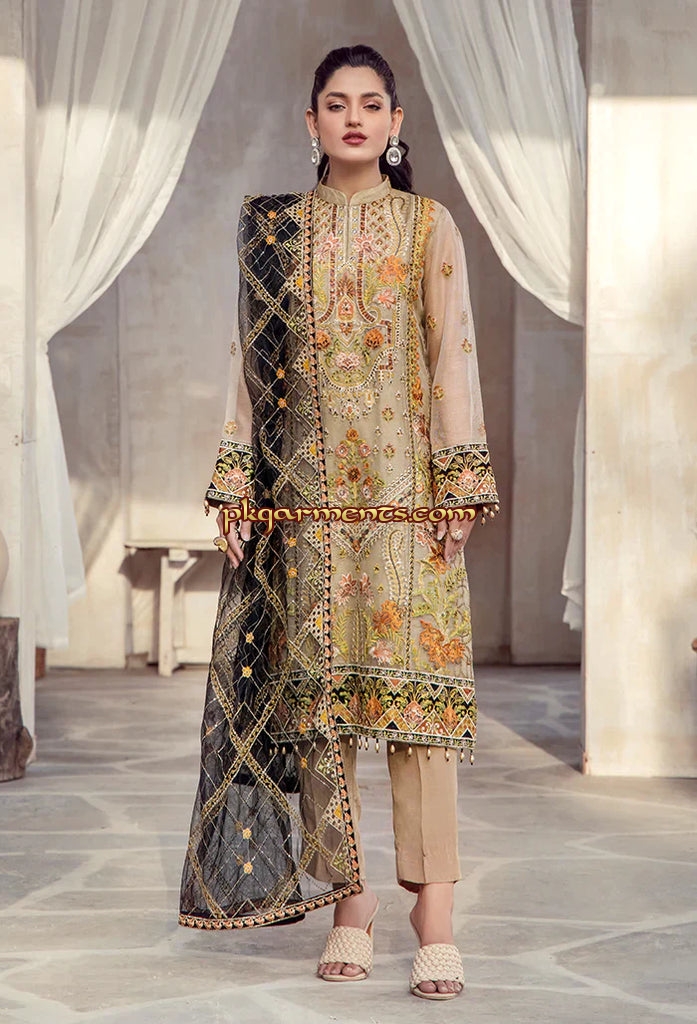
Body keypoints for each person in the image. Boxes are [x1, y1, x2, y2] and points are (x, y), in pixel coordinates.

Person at [179, 44, 499, 1002]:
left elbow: (452, 355)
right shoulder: (273, 232)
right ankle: (348, 907)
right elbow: (247, 364)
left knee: (419, 715)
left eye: (370, 103)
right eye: (334, 103)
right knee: (319, 719)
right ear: (310, 121)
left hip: (407, 509)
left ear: (396, 124)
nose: (352, 117)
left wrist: (460, 482)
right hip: (306, 509)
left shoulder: (427, 225)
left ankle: (434, 919)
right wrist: (237, 483)